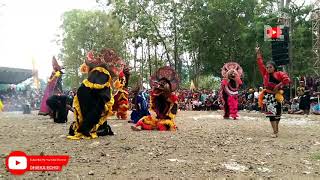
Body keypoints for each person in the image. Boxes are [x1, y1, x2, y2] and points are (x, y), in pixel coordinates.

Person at [67, 48, 124, 140]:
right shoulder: (101, 77)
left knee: (96, 109)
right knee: (97, 108)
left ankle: (86, 128)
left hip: (90, 95)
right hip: (91, 96)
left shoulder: (95, 78)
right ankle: (85, 129)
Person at [256, 47, 290, 138]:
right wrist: (258, 53)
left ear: (274, 68)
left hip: (277, 95)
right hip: (268, 95)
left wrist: (278, 86)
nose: (268, 69)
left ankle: (276, 129)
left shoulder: (279, 74)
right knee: (271, 113)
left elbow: (287, 80)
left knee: (278, 113)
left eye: (270, 67)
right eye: (267, 67)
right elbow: (260, 64)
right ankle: (275, 132)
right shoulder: (265, 73)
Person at [131, 66, 179, 131]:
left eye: (163, 84)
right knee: (145, 119)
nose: (160, 86)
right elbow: (154, 108)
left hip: (166, 120)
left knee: (162, 125)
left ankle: (154, 127)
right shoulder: (156, 97)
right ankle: (139, 126)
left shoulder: (172, 100)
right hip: (157, 118)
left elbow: (171, 114)